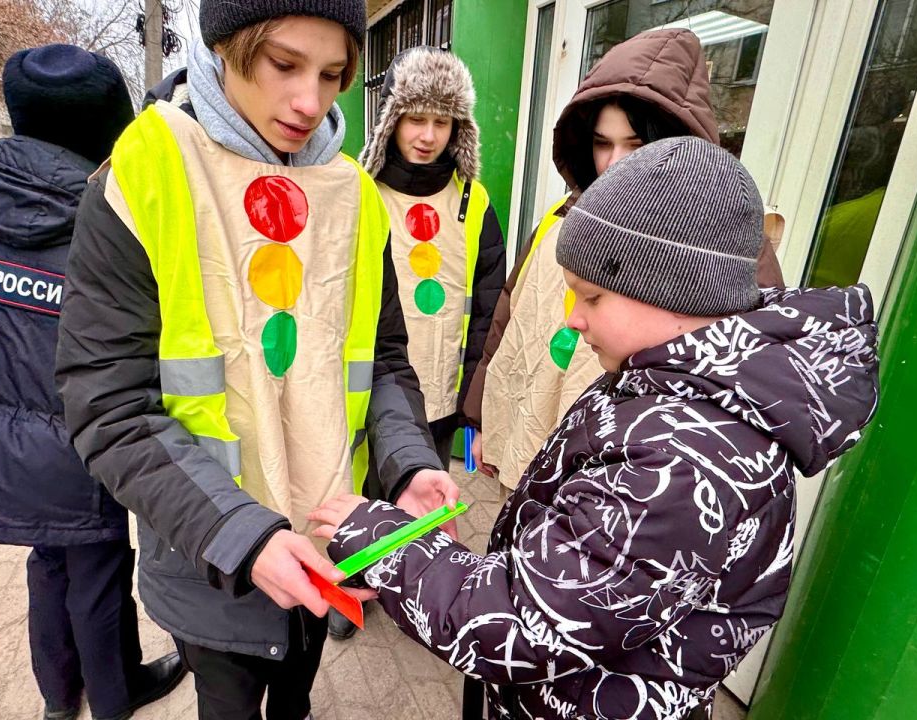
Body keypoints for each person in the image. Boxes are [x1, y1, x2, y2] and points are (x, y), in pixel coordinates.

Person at [310, 137, 880, 720]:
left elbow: (526, 622)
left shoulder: (684, 459)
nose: (575, 318)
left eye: (593, 297)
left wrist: (387, 542)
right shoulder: (676, 386)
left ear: (674, 287)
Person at [55, 2, 457, 719]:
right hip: (214, 561)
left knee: (294, 703)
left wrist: (410, 461)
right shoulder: (149, 166)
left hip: (335, 539)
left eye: (334, 74)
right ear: (225, 46)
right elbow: (108, 407)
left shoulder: (356, 196)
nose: (310, 101)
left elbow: (385, 361)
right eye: (284, 65)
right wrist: (243, 537)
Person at [462, 29, 785, 490]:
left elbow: (743, 373)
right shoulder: (562, 216)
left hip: (628, 477)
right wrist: (482, 416)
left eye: (635, 145)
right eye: (601, 143)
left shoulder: (726, 243)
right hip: (532, 435)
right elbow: (510, 316)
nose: (614, 164)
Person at [0, 44, 184, 720]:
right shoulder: (107, 216)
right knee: (98, 575)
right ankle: (119, 697)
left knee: (47, 565)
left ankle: (59, 699)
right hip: (83, 442)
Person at [315, 46, 505, 640]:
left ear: (457, 129)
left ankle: (415, 588)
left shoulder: (474, 202)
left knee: (423, 498)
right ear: (391, 120)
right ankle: (350, 582)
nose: (426, 136)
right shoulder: (357, 192)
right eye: (414, 118)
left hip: (441, 384)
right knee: (363, 492)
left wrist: (475, 388)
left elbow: (487, 301)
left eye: (441, 121)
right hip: (373, 386)